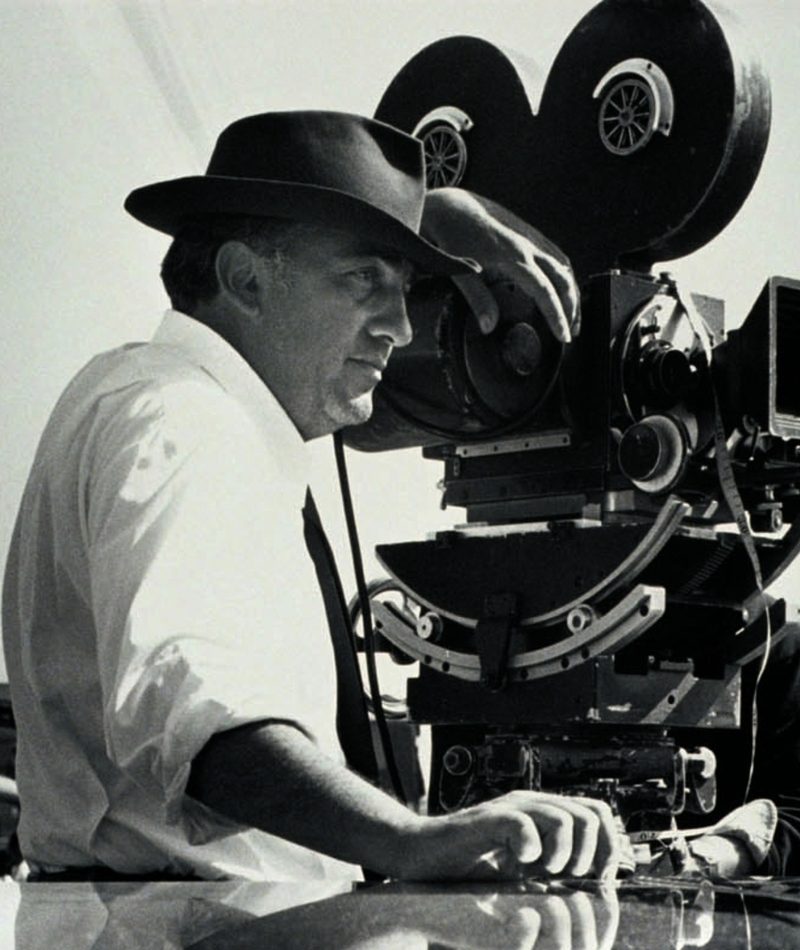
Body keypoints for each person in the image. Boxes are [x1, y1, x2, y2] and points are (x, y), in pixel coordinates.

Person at [2, 110, 621, 883]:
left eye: (405, 289)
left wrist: (414, 217)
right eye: (363, 280)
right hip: (192, 922)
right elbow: (197, 714)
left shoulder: (138, 391)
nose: (400, 327)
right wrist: (407, 840)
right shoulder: (187, 420)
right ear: (244, 279)